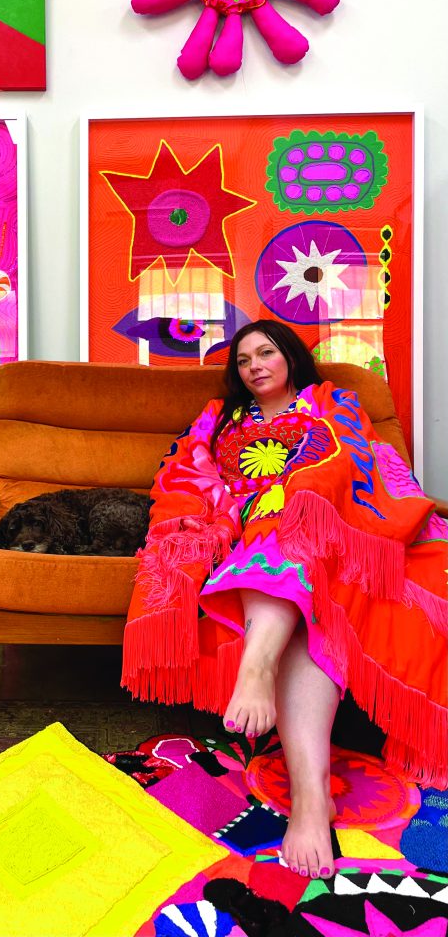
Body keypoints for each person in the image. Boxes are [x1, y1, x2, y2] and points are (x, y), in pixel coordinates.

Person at [122, 320, 447, 881]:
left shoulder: (331, 403)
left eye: (266, 353)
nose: (254, 366)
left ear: (291, 357)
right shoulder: (220, 419)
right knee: (306, 606)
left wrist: (303, 496)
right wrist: (222, 512)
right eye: (243, 360)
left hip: (332, 530)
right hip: (246, 536)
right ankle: (311, 797)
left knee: (294, 521)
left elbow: (357, 460)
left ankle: (258, 668)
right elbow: (184, 473)